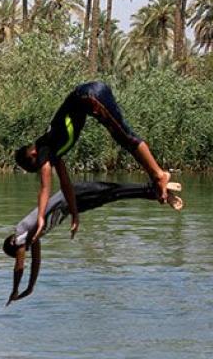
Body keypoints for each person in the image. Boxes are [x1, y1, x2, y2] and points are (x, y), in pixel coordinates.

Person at [15, 81, 176, 242]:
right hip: (91, 94)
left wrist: (41, 218)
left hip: (89, 95)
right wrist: (75, 214)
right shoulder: (53, 152)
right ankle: (156, 182)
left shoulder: (43, 149)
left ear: (33, 155)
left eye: (36, 166)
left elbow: (45, 188)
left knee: (126, 137)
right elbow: (66, 186)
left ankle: (158, 175)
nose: (43, 167)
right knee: (123, 137)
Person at [3, 181, 183, 306]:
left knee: (112, 191)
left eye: (20, 251)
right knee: (112, 195)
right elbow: (36, 261)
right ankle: (154, 192)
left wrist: (15, 290)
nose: (23, 252)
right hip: (75, 204)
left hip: (74, 193)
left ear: (13, 242)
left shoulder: (20, 232)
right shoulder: (33, 236)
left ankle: (154, 187)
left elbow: (20, 266)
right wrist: (30, 287)